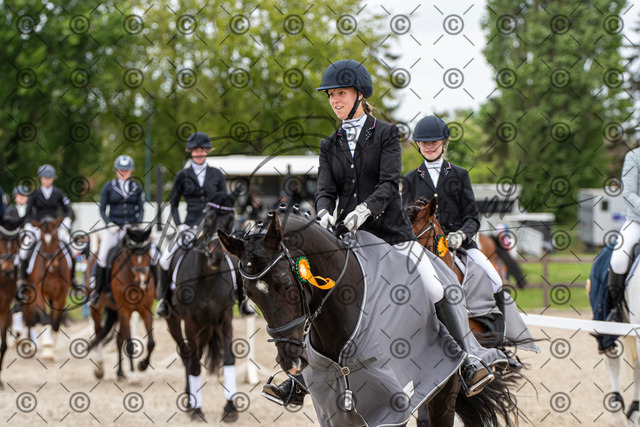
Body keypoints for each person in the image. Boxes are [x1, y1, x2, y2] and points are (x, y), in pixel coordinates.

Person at [263, 59, 494, 406]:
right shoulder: (329, 144)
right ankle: (298, 379)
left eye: (341, 94)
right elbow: (325, 189)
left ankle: (467, 360)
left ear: (359, 95)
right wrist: (324, 212)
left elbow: (388, 183)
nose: (334, 101)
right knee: (310, 289)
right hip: (346, 237)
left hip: (390, 234)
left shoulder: (386, 134)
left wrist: (365, 209)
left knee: (434, 284)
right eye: (331, 95)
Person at [402, 115, 507, 319]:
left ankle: (501, 328)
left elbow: (472, 217)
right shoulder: (410, 179)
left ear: (444, 142)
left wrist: (461, 235)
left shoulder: (460, 175)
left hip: (460, 245)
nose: (429, 147)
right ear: (418, 145)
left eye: (433, 142)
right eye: (424, 143)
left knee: (495, 280)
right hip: (424, 248)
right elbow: (405, 218)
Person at [156, 132, 254, 317]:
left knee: (236, 258)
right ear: (190, 151)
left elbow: (224, 202)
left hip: (214, 228)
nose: (199, 153)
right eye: (196, 150)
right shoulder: (182, 175)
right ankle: (164, 301)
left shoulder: (216, 174)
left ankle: (242, 301)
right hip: (190, 225)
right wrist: (180, 225)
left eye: (202, 150)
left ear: (207, 151)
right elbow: (174, 204)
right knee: (165, 258)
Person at [88, 155, 155, 305]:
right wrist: (109, 223)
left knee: (152, 254)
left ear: (131, 171)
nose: (123, 172)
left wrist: (137, 224)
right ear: (116, 170)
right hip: (114, 228)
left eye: (126, 170)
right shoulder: (108, 187)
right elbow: (102, 209)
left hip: (132, 229)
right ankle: (97, 291)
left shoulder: (136, 187)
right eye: (121, 170)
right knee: (103, 256)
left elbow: (141, 208)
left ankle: (157, 290)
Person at [16, 164, 75, 302]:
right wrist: (28, 225)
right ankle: (23, 279)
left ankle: (72, 278)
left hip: (55, 228)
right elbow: (28, 213)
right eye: (44, 178)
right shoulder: (35, 194)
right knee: (24, 251)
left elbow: (69, 211)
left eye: (49, 178)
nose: (47, 180)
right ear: (41, 179)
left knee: (72, 248)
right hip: (39, 228)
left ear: (53, 179)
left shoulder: (59, 193)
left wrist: (67, 221)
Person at [607, 141, 640, 322]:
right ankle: (616, 309)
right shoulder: (634, 156)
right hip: (637, 221)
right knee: (619, 260)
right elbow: (628, 193)